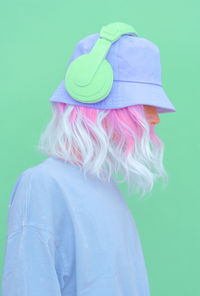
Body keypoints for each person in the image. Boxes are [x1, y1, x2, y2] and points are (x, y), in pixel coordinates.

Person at [1, 22, 176, 296]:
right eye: (143, 105)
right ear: (89, 89)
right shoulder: (41, 185)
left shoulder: (104, 185)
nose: (153, 118)